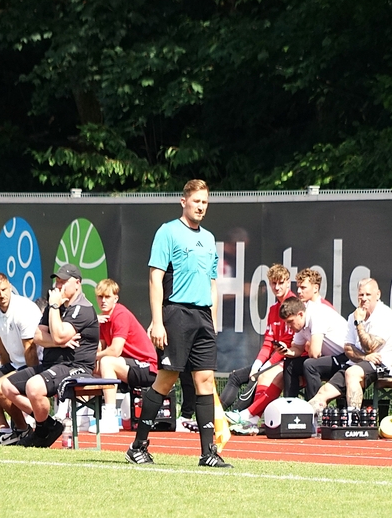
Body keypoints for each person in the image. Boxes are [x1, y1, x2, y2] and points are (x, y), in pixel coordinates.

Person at [125, 179, 231, 468]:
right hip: (176, 314)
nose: (201, 207)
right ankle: (137, 446)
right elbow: (155, 278)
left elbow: (212, 282)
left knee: (205, 380)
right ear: (183, 201)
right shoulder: (168, 232)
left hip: (203, 317)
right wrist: (158, 321)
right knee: (167, 378)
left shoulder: (209, 238)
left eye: (205, 202)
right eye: (197, 201)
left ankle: (208, 453)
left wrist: (213, 319)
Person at [0, 264, 99, 448]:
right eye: (57, 281)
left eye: (63, 282)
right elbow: (38, 336)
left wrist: (53, 307)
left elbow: (59, 334)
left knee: (34, 386)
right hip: (51, 364)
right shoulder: (55, 307)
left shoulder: (82, 308)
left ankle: (40, 432)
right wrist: (58, 342)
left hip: (74, 366)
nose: (58, 286)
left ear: (77, 283)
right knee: (6, 386)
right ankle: (47, 425)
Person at [307, 278, 392, 416]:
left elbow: (370, 347)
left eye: (368, 294)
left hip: (383, 363)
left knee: (352, 373)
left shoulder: (384, 315)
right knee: (323, 392)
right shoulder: (353, 316)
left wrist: (359, 323)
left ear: (378, 295)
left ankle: (353, 420)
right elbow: (348, 348)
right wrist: (364, 357)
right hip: (359, 362)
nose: (364, 298)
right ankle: (308, 422)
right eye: (361, 295)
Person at [223, 263, 296, 435]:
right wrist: (258, 363)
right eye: (273, 283)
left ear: (288, 282)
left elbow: (288, 344)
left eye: (281, 283)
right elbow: (269, 342)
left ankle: (245, 416)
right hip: (275, 359)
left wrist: (265, 366)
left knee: (259, 375)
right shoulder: (273, 309)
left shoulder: (294, 306)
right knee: (237, 376)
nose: (277, 287)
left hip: (292, 358)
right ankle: (220, 414)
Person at [0, 272, 41, 445]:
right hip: (15, 364)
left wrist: (32, 378)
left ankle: (22, 429)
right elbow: (2, 345)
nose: (2, 295)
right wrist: (4, 370)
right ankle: (5, 430)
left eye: (4, 289)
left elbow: (31, 349)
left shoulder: (24, 309)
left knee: (0, 386)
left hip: (35, 364)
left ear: (10, 286)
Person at [94, 278, 158, 428]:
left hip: (147, 367)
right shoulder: (103, 318)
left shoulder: (120, 314)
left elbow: (115, 351)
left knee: (106, 362)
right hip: (129, 365)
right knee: (89, 366)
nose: (103, 301)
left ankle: (110, 417)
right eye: (100, 297)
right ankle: (86, 415)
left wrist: (94, 356)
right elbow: (100, 348)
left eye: (107, 297)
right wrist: (92, 325)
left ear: (115, 298)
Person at [279, 294, 349, 401]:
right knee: (290, 364)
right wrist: (286, 351)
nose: (288, 326)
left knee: (310, 365)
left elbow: (315, 353)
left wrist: (309, 347)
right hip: (332, 357)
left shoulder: (316, 314)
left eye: (290, 322)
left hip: (347, 357)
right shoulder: (301, 323)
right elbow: (298, 348)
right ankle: (290, 405)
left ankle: (315, 407)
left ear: (300, 314)